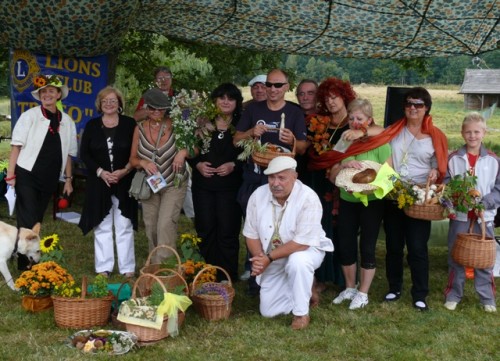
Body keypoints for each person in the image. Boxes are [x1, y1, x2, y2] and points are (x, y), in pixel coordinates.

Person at [305, 78, 383, 296]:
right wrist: (338, 169)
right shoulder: (323, 123)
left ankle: (350, 284)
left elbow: (383, 131)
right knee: (330, 232)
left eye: (335, 97)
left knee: (351, 237)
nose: (330, 102)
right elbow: (334, 159)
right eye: (327, 98)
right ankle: (332, 279)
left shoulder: (364, 132)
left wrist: (362, 131)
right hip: (332, 184)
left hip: (360, 193)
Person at [234, 69, 308, 292]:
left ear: (287, 87)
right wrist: (250, 132)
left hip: (283, 183)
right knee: (255, 227)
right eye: (269, 85)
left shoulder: (294, 113)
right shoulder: (253, 109)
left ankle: (282, 274)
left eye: (278, 85)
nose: (273, 89)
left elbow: (303, 148)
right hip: (256, 177)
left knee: (281, 227)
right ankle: (255, 274)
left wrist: (293, 139)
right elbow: (236, 140)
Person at [243, 156, 333, 330]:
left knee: (298, 262)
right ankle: (307, 287)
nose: (275, 183)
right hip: (272, 255)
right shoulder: (258, 195)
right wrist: (259, 259)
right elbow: (251, 233)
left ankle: (301, 314)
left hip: (307, 250)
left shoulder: (308, 198)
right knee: (268, 312)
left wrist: (268, 258)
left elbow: (302, 243)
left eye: (281, 178)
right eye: (271, 177)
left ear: (295, 176)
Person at [382, 87, 448, 311]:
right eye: (409, 103)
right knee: (393, 245)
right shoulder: (393, 131)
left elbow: (438, 164)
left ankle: (420, 294)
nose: (413, 108)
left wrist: (434, 172)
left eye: (418, 104)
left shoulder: (435, 136)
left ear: (426, 108)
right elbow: (384, 155)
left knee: (418, 247)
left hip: (420, 197)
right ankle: (394, 287)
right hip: (394, 193)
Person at [5, 74, 77, 270]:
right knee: (27, 218)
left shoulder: (67, 121)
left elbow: (69, 154)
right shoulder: (30, 116)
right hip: (27, 173)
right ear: (40, 96)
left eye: (51, 91)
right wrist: (11, 175)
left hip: (50, 177)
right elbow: (16, 146)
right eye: (43, 92)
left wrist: (68, 180)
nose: (47, 95)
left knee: (37, 219)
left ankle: (28, 256)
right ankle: (24, 263)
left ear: (58, 95)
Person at [327, 99, 391, 309]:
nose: (355, 122)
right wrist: (344, 163)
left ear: (369, 120)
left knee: (367, 246)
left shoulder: (380, 141)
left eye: (360, 119)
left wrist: (374, 185)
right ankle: (349, 288)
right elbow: (332, 174)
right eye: (352, 118)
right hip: (347, 200)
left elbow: (390, 174)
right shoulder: (344, 141)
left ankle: (363, 293)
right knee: (346, 244)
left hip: (372, 202)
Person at [78, 86, 137, 278]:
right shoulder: (92, 125)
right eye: (105, 101)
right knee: (102, 225)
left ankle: (127, 267)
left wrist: (125, 170)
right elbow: (84, 153)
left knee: (124, 225)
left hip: (124, 180)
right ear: (100, 104)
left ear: (119, 103)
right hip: (98, 181)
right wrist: (101, 172)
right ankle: (104, 267)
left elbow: (136, 152)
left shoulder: (130, 124)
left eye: (113, 100)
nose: (109, 104)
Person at [443, 112, 499, 313]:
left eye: (477, 132)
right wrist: (458, 199)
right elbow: (447, 184)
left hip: (485, 218)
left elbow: (498, 189)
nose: (472, 136)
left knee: (484, 258)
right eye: (468, 132)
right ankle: (453, 294)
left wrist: (486, 202)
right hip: (461, 216)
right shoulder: (454, 159)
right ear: (462, 133)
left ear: (484, 133)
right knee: (456, 255)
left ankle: (486, 297)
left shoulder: (494, 160)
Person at [189, 83, 243, 281]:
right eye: (222, 98)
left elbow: (250, 153)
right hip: (203, 187)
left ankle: (227, 274)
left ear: (237, 102)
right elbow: (189, 149)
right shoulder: (203, 122)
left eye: (230, 98)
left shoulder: (242, 124)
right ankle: (206, 273)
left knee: (228, 230)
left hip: (230, 187)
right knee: (205, 228)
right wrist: (197, 164)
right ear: (215, 101)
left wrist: (233, 165)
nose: (226, 102)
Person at [129, 88, 189, 263]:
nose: (157, 112)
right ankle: (155, 265)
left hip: (174, 183)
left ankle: (165, 271)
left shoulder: (178, 124)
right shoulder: (139, 128)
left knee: (165, 225)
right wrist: (143, 163)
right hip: (150, 185)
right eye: (153, 108)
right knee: (152, 228)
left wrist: (183, 152)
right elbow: (132, 159)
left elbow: (195, 149)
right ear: (147, 108)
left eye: (161, 109)